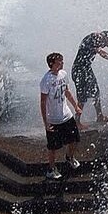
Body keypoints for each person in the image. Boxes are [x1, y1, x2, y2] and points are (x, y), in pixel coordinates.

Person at [40, 52, 83, 180]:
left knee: (74, 139)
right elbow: (42, 102)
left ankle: (69, 157)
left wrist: (75, 106)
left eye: (62, 61)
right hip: (53, 119)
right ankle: (52, 168)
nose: (62, 63)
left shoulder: (63, 74)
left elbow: (67, 91)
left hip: (67, 115)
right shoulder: (46, 81)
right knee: (53, 147)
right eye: (59, 62)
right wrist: (46, 123)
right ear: (52, 64)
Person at [71, 31, 108, 123]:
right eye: (104, 42)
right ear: (101, 39)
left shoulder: (99, 38)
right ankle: (77, 121)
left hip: (86, 69)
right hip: (79, 71)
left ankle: (100, 116)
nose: (105, 44)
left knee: (96, 92)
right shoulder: (93, 40)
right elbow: (102, 53)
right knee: (82, 96)